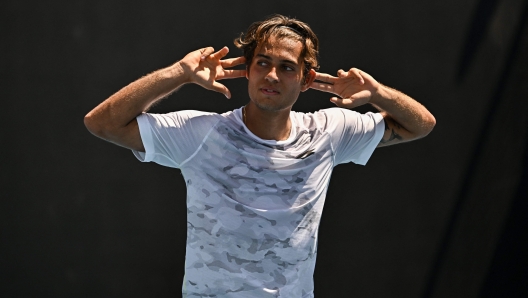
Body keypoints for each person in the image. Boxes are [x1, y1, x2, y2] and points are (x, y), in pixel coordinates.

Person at [84, 14, 435, 298]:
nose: (271, 75)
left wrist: (378, 93)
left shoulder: (329, 131)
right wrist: (178, 73)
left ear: (306, 78)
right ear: (247, 69)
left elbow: (420, 125)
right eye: (262, 63)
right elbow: (101, 123)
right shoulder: (201, 133)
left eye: (286, 67)